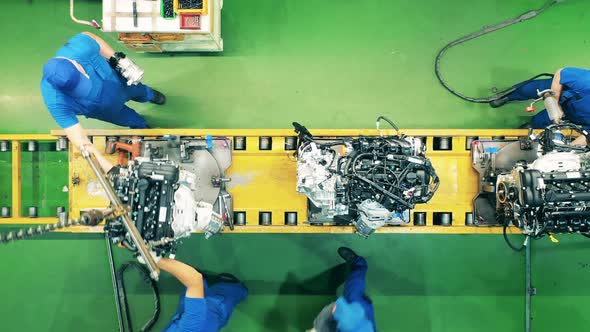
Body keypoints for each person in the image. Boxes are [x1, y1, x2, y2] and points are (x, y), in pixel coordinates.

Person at [40, 32, 166, 171]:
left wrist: (118, 59)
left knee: (140, 90)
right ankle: (142, 127)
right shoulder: (54, 99)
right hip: (104, 110)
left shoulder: (78, 48)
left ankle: (150, 95)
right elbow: (79, 139)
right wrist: (108, 168)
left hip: (116, 81)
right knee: (131, 120)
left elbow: (92, 38)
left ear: (75, 63)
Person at [490, 67, 590, 145]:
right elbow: (561, 73)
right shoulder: (587, 81)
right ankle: (507, 95)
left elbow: (587, 137)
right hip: (558, 90)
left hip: (571, 114)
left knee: (543, 122)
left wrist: (568, 151)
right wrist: (554, 103)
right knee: (527, 89)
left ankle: (531, 126)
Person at [155, 257, 248, 331]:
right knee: (231, 290)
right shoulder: (192, 327)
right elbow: (195, 280)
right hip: (220, 295)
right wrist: (156, 259)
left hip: (188, 316)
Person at [309, 247, 376, 332]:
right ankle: (358, 263)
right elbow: (336, 308)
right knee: (353, 297)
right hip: (359, 316)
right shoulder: (351, 323)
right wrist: (317, 328)